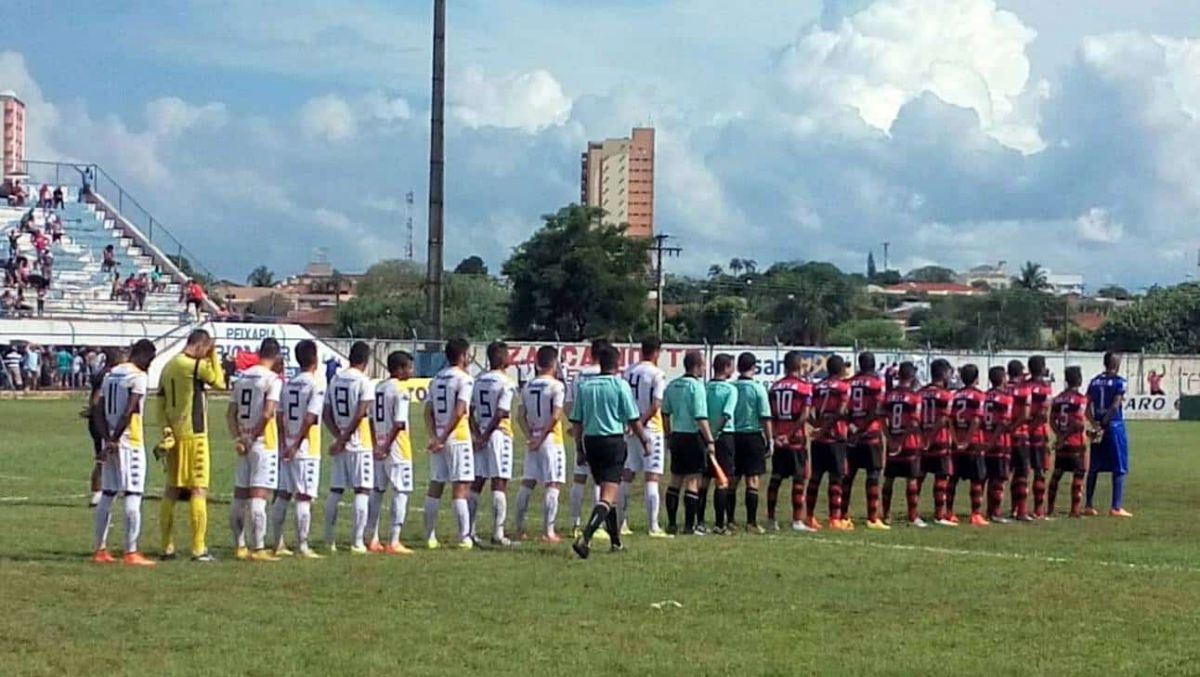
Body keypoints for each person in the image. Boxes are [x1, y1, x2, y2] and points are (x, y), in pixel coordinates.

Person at [569, 344, 649, 558]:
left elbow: (576, 421)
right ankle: (585, 537)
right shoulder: (620, 385)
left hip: (591, 442)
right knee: (607, 495)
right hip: (613, 441)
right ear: (618, 363)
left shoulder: (586, 387)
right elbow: (633, 418)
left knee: (607, 492)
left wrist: (579, 447)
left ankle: (615, 542)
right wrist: (645, 441)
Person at [157, 329, 226, 561]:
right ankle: (198, 549)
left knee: (172, 490)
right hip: (194, 435)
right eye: (206, 349)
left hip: (174, 436)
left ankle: (167, 547)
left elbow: (160, 403)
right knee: (198, 490)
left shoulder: (167, 367)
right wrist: (214, 357)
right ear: (200, 346)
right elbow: (219, 382)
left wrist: (166, 431)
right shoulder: (195, 366)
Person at [91, 339, 158, 566]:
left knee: (108, 493)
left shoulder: (111, 375)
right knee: (132, 494)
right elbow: (130, 410)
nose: (150, 364)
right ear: (142, 355)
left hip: (110, 439)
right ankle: (131, 551)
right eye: (150, 359)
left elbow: (97, 409)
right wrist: (116, 438)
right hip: (129, 442)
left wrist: (106, 438)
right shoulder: (138, 377)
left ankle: (100, 549)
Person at [227, 338, 283, 562]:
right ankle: (258, 548)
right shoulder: (272, 380)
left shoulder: (242, 378)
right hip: (262, 442)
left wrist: (239, 438)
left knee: (240, 495)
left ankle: (239, 546)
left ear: (260, 352)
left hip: (243, 444)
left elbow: (230, 414)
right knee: (259, 495)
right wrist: (252, 437)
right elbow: (268, 413)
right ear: (277, 356)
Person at [273, 339, 326, 558]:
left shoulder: (289, 384)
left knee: (284, 494)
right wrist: (296, 444)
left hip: (287, 446)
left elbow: (280, 416)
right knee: (304, 496)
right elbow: (310, 418)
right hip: (305, 448)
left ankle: (277, 542)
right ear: (314, 358)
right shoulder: (316, 384)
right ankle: (302, 546)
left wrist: (285, 442)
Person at [322, 341, 375, 554]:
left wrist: (338, 437)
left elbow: (326, 413)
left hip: (340, 442)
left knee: (336, 490)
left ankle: (329, 539)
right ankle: (357, 541)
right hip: (359, 443)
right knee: (362, 490)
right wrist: (344, 439)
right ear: (366, 360)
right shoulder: (364, 381)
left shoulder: (335, 379)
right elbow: (361, 413)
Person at [423, 338, 476, 550]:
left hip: (439, 438)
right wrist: (444, 437)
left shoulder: (436, 379)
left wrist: (434, 436)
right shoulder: (464, 379)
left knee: (436, 485)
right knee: (460, 487)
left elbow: (428, 411)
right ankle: (464, 537)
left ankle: (429, 535)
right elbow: (460, 409)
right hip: (457, 437)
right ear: (462, 355)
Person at [514, 346, 568, 542]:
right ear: (554, 363)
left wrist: (531, 437)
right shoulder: (557, 386)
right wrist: (543, 436)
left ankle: (519, 528)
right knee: (552, 484)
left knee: (527, 482)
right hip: (550, 440)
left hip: (533, 439)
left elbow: (520, 416)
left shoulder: (528, 386)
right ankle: (548, 531)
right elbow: (556, 415)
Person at [661, 350, 715, 536]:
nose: (704, 368)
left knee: (675, 479)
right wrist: (709, 440)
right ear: (697, 365)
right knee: (693, 480)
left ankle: (672, 523)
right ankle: (690, 526)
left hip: (677, 436)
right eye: (703, 365)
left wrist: (668, 435)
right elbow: (701, 417)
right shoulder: (697, 387)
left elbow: (665, 413)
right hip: (693, 436)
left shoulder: (673, 385)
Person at [367, 350, 416, 555]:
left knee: (377, 492)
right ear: (399, 369)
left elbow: (370, 419)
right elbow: (399, 423)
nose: (412, 371)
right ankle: (394, 540)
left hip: (379, 445)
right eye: (409, 367)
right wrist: (386, 446)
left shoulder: (379, 387)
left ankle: (372, 538)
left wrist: (376, 445)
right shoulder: (401, 391)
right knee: (401, 491)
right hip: (396, 448)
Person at [469, 341, 517, 546]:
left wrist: (477, 434)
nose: (510, 359)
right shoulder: (506, 382)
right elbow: (501, 412)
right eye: (507, 355)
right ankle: (498, 533)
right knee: (499, 481)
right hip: (498, 434)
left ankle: (469, 530)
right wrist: (487, 435)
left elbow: (469, 412)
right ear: (500, 358)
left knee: (477, 481)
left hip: (481, 432)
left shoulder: (478, 380)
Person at [620, 337, 669, 537]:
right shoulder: (657, 374)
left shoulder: (628, 372)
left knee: (627, 475)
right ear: (656, 352)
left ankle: (621, 522)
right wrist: (641, 423)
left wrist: (631, 424)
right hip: (650, 429)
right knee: (652, 477)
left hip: (630, 428)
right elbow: (656, 404)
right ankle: (653, 526)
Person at [568, 339, 610, 540]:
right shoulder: (608, 376)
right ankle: (598, 525)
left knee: (579, 478)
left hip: (582, 430)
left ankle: (575, 523)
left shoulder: (578, 376)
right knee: (600, 481)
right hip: (601, 431)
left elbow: (569, 404)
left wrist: (574, 425)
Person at [767, 351, 813, 532]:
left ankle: (771, 519)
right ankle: (797, 520)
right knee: (799, 479)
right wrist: (790, 434)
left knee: (776, 478)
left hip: (779, 439)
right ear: (799, 366)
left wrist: (775, 436)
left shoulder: (775, 387)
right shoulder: (804, 387)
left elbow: (769, 415)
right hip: (795, 440)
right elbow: (804, 416)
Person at [728, 352, 773, 534]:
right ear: (754, 367)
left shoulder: (731, 387)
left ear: (738, 367)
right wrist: (770, 440)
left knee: (733, 480)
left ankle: (729, 520)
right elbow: (765, 417)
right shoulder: (758, 388)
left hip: (733, 436)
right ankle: (751, 522)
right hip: (753, 436)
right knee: (752, 480)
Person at [806, 355, 851, 531]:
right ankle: (835, 519)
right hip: (835, 437)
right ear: (840, 369)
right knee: (836, 479)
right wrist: (825, 428)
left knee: (815, 477)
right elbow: (840, 411)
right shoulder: (843, 387)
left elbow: (809, 413)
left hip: (819, 439)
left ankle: (809, 517)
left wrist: (817, 427)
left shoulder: (817, 387)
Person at [1085, 352, 1132, 517]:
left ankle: (1088, 505)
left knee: (1094, 467)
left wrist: (1095, 424)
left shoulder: (1094, 381)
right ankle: (1116, 507)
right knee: (1119, 466)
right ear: (1116, 364)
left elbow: (1087, 409)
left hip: (1098, 426)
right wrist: (1105, 423)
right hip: (1114, 426)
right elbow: (1114, 406)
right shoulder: (1120, 382)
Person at [845, 352, 888, 530]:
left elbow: (843, 408)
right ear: (874, 365)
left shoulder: (848, 383)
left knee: (848, 477)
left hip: (852, 434)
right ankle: (872, 518)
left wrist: (852, 426)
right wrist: (863, 428)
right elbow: (877, 409)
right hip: (870, 435)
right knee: (873, 475)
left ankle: (842, 515)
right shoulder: (877, 383)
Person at [881, 362, 925, 526]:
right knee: (911, 479)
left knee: (889, 479)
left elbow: (882, 419)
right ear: (912, 376)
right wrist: (900, 441)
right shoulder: (915, 397)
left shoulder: (889, 395)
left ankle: (885, 515)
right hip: (909, 443)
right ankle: (913, 516)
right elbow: (914, 423)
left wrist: (891, 439)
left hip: (893, 440)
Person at [701, 353, 737, 534]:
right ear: (726, 368)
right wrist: (714, 435)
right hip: (723, 437)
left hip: (703, 435)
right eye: (732, 366)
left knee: (704, 479)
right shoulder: (730, 390)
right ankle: (719, 523)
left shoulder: (705, 388)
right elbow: (726, 414)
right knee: (722, 481)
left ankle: (699, 521)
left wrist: (707, 436)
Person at [917, 359, 956, 526]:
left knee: (919, 477)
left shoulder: (919, 392)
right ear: (944, 373)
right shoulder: (946, 395)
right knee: (941, 477)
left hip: (921, 439)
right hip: (939, 439)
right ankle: (939, 515)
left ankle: (914, 512)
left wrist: (923, 437)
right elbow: (943, 420)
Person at [949, 365, 989, 526]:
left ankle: (949, 511)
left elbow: (949, 420)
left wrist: (956, 440)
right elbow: (976, 420)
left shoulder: (955, 396)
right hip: (973, 442)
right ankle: (975, 514)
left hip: (956, 442)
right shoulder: (979, 396)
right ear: (976, 378)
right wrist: (967, 440)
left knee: (953, 479)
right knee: (977, 479)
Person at [1049, 366, 1090, 517]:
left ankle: (1049, 508)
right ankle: (1075, 510)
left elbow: (1052, 420)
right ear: (1079, 380)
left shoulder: (1058, 398)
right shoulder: (1081, 399)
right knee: (1079, 475)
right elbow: (1078, 423)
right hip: (1075, 443)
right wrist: (1065, 436)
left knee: (1057, 475)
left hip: (1062, 444)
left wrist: (1059, 436)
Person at [84, 348, 123, 506]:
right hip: (100, 421)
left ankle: (108, 489)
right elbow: (96, 397)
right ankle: (98, 492)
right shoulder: (107, 375)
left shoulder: (105, 373)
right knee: (103, 455)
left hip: (99, 420)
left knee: (107, 455)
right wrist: (94, 412)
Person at [1025, 356, 1055, 518]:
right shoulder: (1045, 389)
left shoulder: (1023, 386)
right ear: (1042, 368)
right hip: (1037, 433)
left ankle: (1018, 508)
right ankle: (1038, 509)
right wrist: (1031, 428)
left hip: (1022, 433)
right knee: (1039, 471)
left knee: (1022, 472)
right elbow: (1043, 414)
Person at [1004, 360, 1033, 521]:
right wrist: (1014, 427)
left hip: (1002, 437)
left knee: (1002, 475)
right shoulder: (1024, 389)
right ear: (1021, 372)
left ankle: (994, 510)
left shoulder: (1001, 389)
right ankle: (1020, 511)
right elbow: (1025, 414)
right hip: (1020, 435)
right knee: (1022, 474)